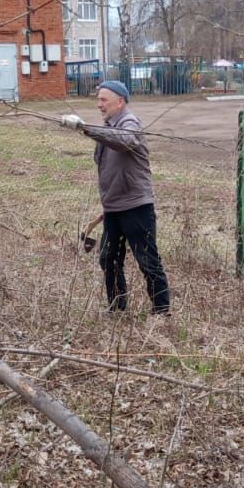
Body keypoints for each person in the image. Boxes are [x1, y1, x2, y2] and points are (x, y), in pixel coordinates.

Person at [61, 81, 171, 315]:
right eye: (98, 99)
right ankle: (117, 309)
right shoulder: (109, 125)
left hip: (136, 208)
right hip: (113, 208)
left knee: (147, 261)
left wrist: (83, 127)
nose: (99, 104)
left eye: (104, 100)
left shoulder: (129, 123)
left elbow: (123, 140)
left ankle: (162, 312)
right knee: (108, 259)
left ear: (120, 101)